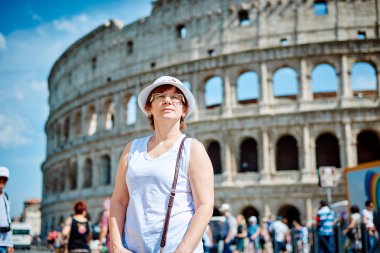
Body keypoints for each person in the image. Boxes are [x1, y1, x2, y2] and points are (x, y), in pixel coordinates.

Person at [109, 76, 214, 253]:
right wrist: (116, 245)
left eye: (176, 97)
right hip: (133, 249)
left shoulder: (193, 148)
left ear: (184, 110)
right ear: (149, 108)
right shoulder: (132, 149)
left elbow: (205, 205)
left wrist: (183, 250)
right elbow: (118, 201)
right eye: (160, 96)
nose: (168, 100)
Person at [0, 167, 13, 253]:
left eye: (4, 179)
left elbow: (8, 221)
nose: (2, 181)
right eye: (0, 178)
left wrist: (11, 244)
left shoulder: (6, 198)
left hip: (4, 242)